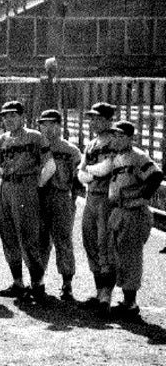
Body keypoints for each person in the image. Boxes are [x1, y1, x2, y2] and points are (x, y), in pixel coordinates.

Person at [0, 100, 54, 303]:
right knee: (7, 235)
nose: (8, 119)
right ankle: (18, 283)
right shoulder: (3, 139)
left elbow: (50, 165)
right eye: (5, 115)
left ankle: (37, 284)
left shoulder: (34, 137)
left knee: (28, 236)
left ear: (22, 117)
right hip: (6, 186)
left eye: (13, 115)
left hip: (26, 187)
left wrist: (38, 185)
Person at [103, 121, 163, 319]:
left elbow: (155, 176)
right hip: (119, 210)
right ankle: (126, 300)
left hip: (134, 212)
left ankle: (131, 304)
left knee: (130, 257)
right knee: (117, 256)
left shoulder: (137, 155)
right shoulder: (117, 157)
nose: (116, 139)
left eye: (121, 136)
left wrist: (140, 196)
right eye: (114, 135)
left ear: (130, 138)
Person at [35, 109, 83, 300]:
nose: (47, 128)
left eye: (52, 124)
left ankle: (67, 283)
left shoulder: (71, 150)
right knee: (40, 240)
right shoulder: (36, 146)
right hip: (40, 195)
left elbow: (78, 180)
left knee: (63, 241)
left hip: (61, 196)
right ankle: (37, 281)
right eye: (43, 124)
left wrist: (72, 201)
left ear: (59, 126)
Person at [77, 102, 119, 308]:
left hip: (107, 197)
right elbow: (81, 172)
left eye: (97, 118)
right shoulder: (92, 143)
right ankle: (98, 291)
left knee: (105, 245)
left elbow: (106, 168)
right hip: (91, 196)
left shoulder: (114, 140)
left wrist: (89, 172)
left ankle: (106, 296)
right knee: (90, 241)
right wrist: (89, 172)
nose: (93, 121)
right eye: (92, 118)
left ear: (108, 120)